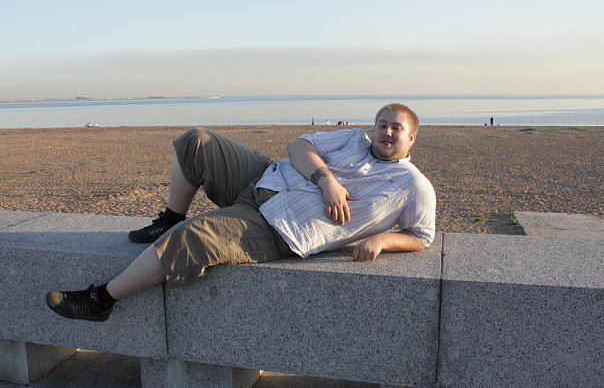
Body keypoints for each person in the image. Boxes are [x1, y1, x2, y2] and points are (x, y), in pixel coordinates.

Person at [46, 103, 436, 322]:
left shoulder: (413, 186)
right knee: (197, 141)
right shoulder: (352, 139)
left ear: (412, 137)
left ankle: (101, 300)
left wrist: (382, 239)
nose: (387, 133)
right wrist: (326, 180)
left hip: (277, 226)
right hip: (265, 177)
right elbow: (298, 146)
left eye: (396, 129)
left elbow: (421, 236)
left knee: (192, 238)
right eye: (382, 125)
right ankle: (170, 217)